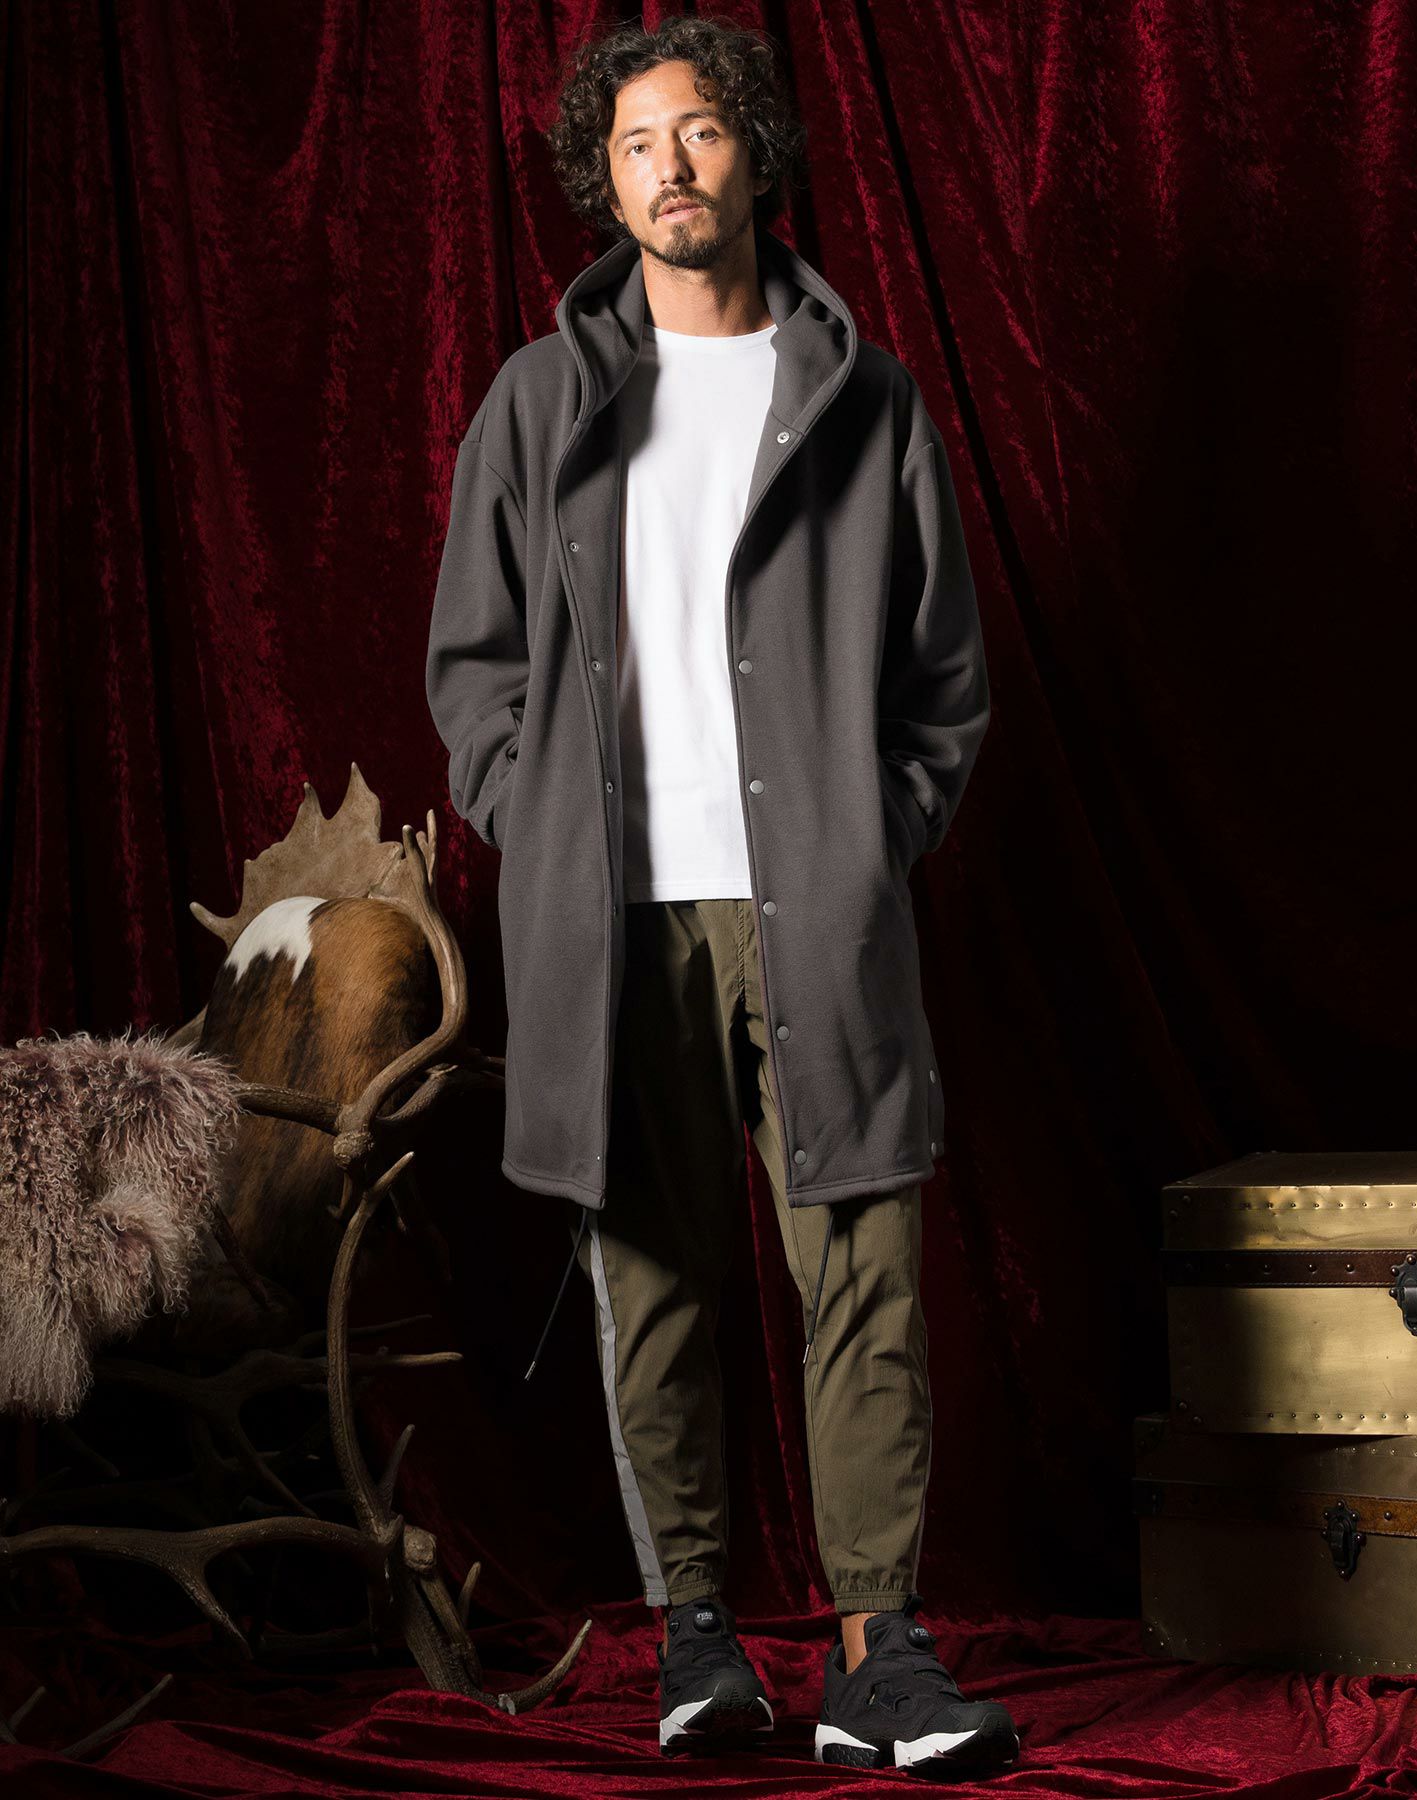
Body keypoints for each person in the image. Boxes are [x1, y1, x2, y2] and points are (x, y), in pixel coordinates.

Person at [425, 12, 1018, 1780]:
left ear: (754, 149)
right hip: (611, 921)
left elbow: (945, 683)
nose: (668, 167)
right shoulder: (538, 403)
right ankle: (698, 1638)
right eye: (633, 145)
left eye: (695, 131)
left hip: (815, 916)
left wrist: (864, 837)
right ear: (601, 183)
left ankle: (879, 1657)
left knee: (866, 1274)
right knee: (654, 1275)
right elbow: (476, 672)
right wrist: (540, 823)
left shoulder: (864, 395)